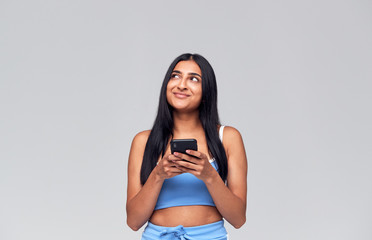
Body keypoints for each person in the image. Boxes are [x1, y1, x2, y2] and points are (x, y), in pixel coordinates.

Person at [126, 53, 248, 240]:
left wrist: (209, 175)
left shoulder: (228, 138)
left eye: (193, 79)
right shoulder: (143, 141)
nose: (181, 84)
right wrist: (158, 175)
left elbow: (238, 218)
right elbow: (133, 222)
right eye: (175, 76)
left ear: (207, 91)